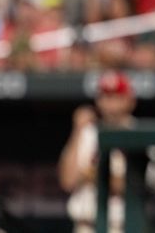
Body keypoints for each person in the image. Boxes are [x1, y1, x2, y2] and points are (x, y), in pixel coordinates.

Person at [58, 70, 137, 233]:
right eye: (106, 96)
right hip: (86, 226)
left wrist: (96, 176)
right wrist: (77, 130)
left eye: (117, 96)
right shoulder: (87, 133)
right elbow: (67, 180)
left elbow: (142, 188)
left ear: (130, 100)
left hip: (122, 227)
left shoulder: (140, 135)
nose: (110, 103)